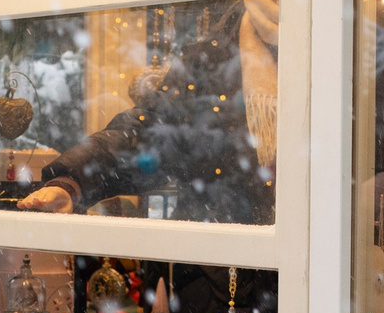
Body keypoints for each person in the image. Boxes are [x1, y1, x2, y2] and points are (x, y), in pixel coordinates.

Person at [15, 60, 270, 224]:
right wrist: (73, 181)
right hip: (219, 265)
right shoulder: (226, 49)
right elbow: (147, 133)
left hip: (254, 260)